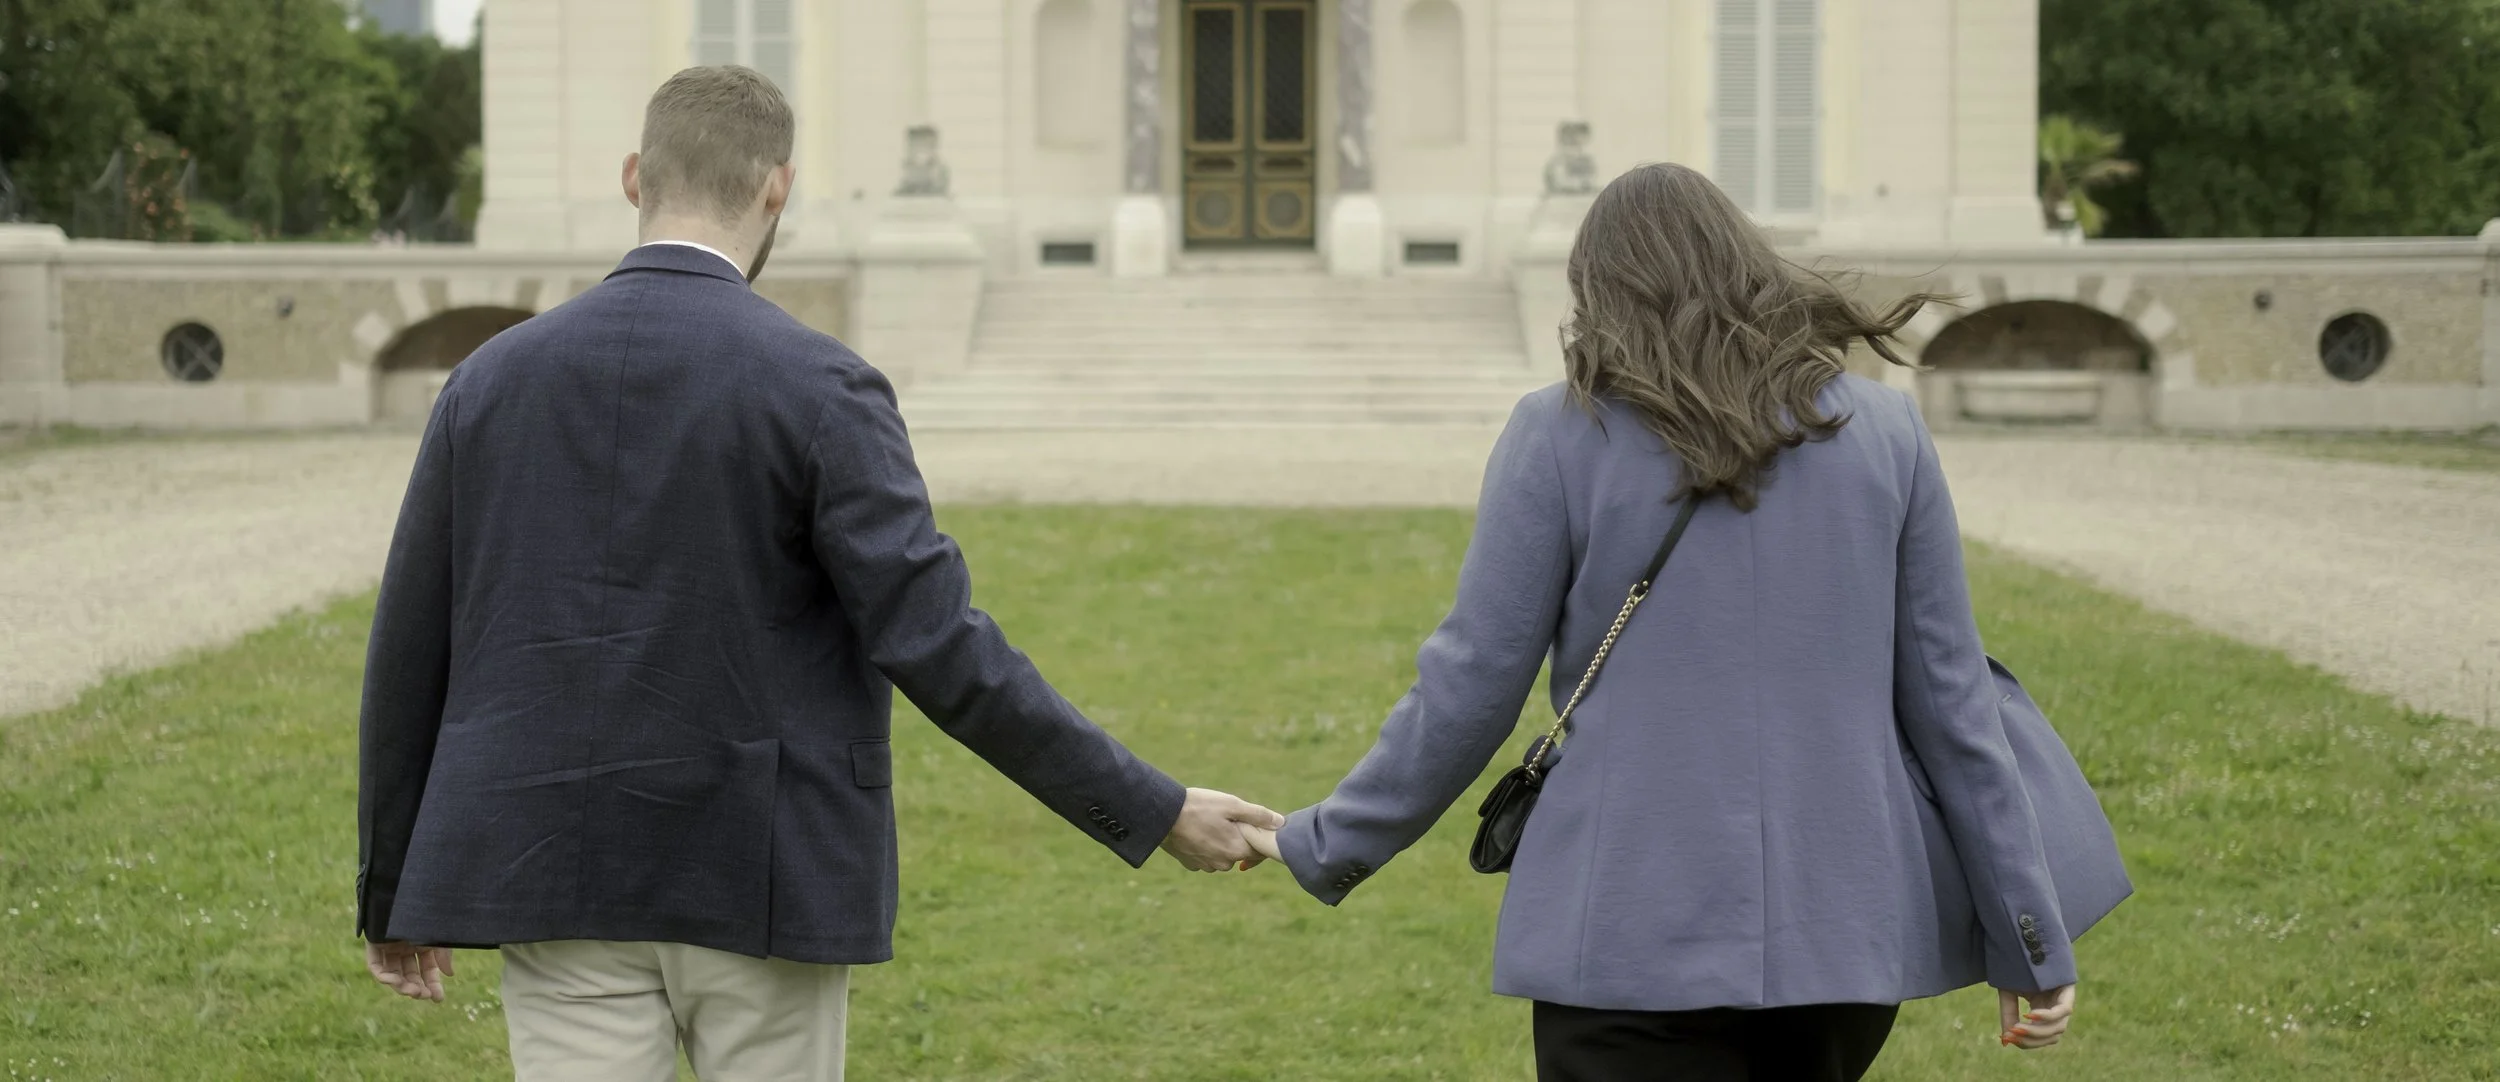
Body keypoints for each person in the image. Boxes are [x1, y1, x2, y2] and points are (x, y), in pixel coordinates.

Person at [354, 65, 1280, 1081]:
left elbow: (409, 644)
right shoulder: (821, 385)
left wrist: (395, 888)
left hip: (550, 866)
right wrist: (1154, 805)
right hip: (760, 867)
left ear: (634, 178)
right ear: (777, 188)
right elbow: (940, 644)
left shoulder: (487, 380)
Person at [1242, 162, 2080, 1082]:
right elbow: (1954, 704)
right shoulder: (1885, 433)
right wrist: (2027, 931)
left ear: (1599, 291)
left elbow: (1470, 685)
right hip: (1840, 942)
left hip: (1624, 938)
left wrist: (1325, 839)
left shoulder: (1562, 434)